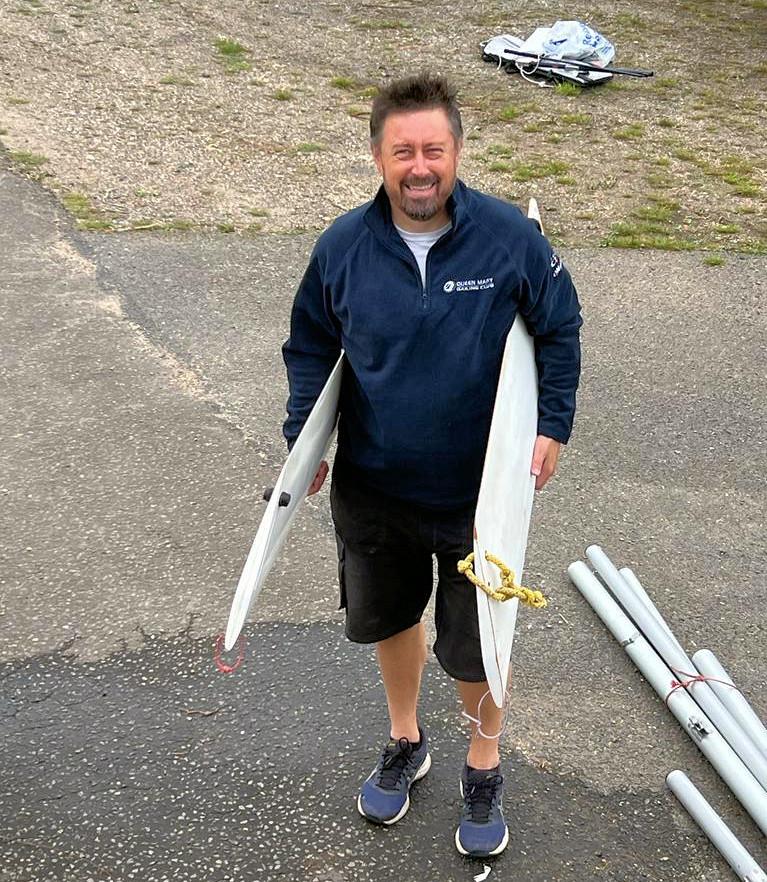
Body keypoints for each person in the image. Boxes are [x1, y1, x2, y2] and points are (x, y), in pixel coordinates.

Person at [282, 73, 581, 858]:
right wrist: (303, 440)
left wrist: (551, 424)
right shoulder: (342, 246)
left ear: (456, 152)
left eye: (434, 150)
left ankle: (482, 766)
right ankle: (406, 740)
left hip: (476, 492)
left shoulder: (509, 240)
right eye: (403, 150)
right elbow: (311, 342)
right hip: (373, 484)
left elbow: (559, 327)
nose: (420, 166)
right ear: (378, 156)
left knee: (478, 640)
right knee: (390, 619)